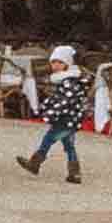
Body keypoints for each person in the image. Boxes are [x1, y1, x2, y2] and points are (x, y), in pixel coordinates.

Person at [18, 44, 91, 184]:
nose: (56, 65)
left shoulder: (70, 81)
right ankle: (74, 173)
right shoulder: (63, 79)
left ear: (67, 64)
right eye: (53, 62)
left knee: (49, 138)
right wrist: (46, 106)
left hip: (67, 118)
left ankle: (35, 163)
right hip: (69, 118)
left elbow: (67, 100)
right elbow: (58, 98)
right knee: (69, 145)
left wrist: (52, 111)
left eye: (60, 62)